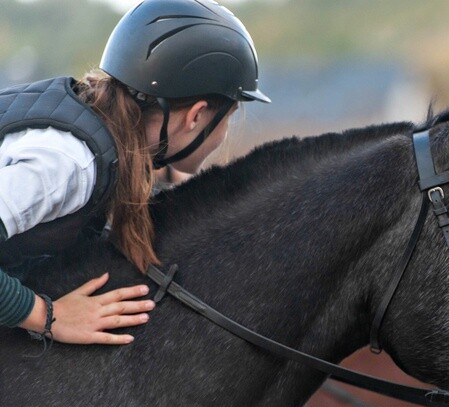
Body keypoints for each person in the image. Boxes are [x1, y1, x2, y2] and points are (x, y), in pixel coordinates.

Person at [0, 0, 269, 345]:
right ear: (196, 116)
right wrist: (47, 316)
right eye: (227, 118)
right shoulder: (69, 164)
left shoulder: (105, 134)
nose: (225, 134)